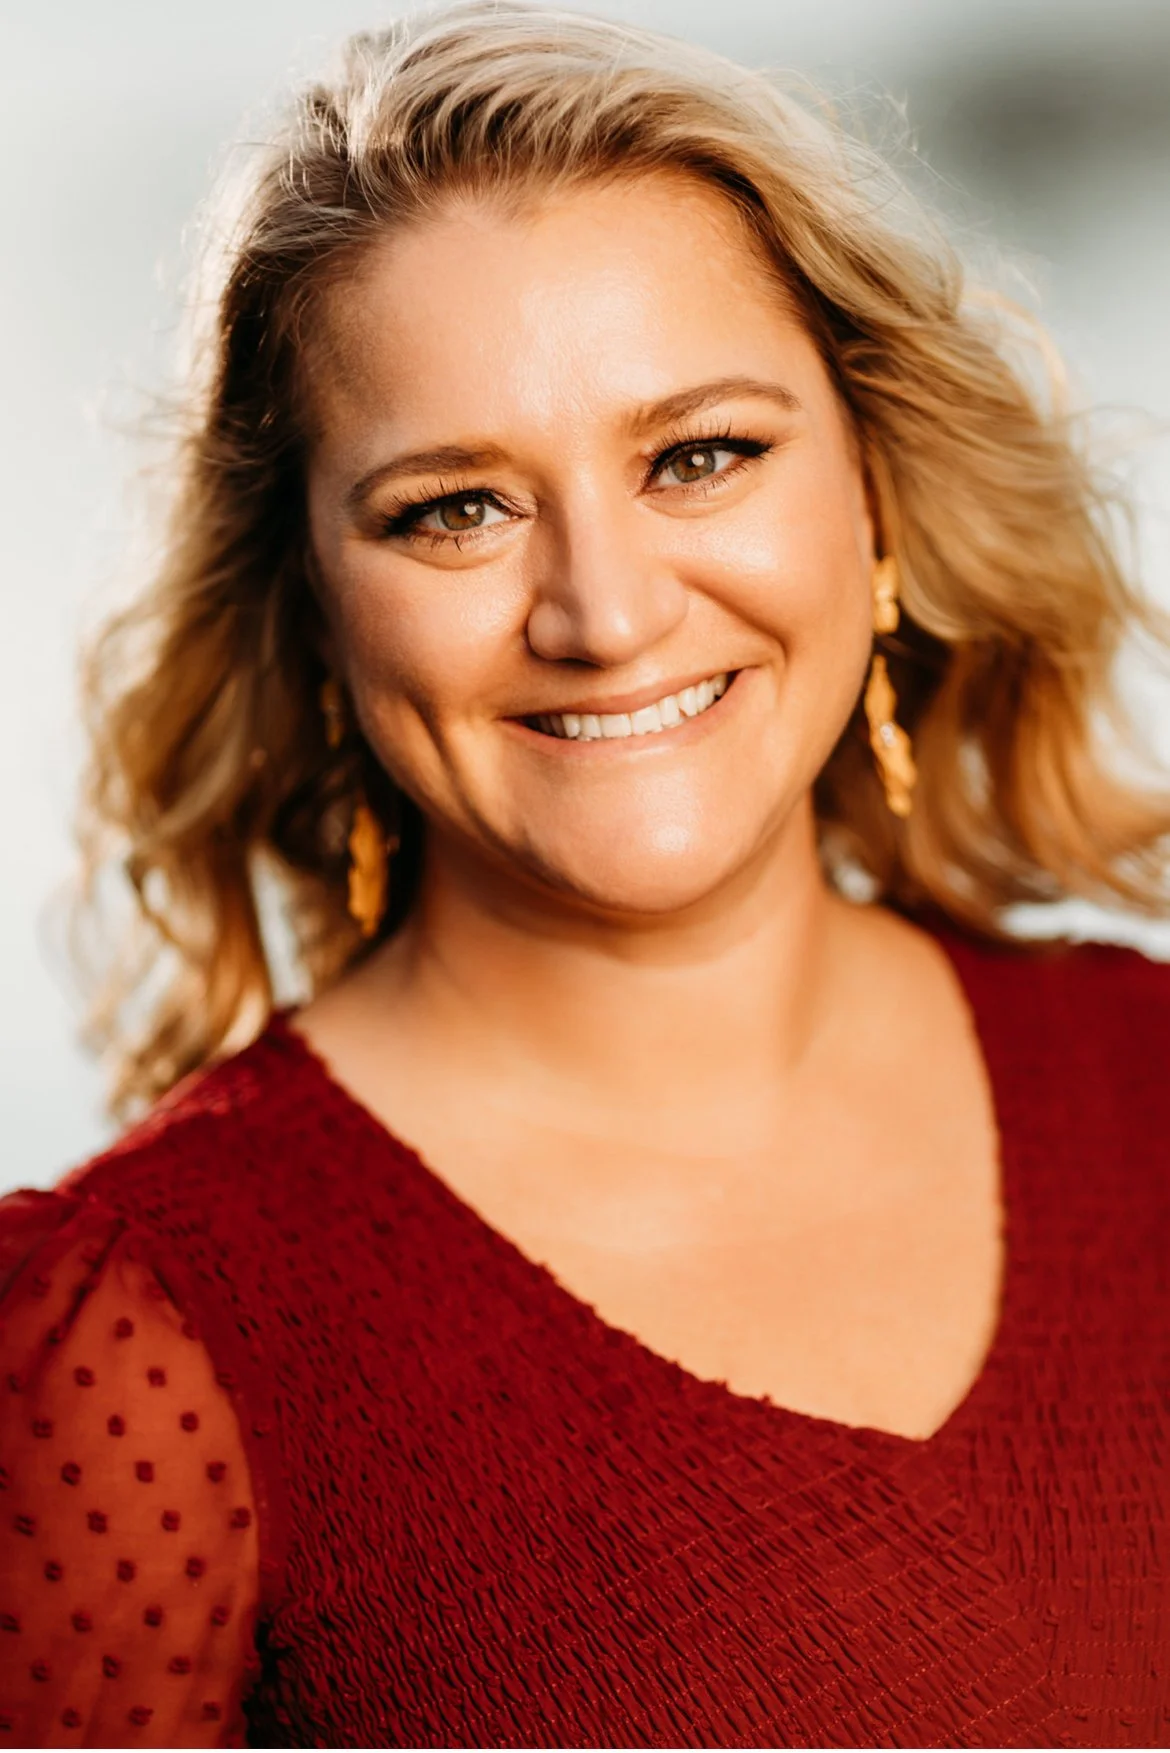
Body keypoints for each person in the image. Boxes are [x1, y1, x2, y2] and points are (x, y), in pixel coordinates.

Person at [3, 2, 1169, 1745]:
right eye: (452, 507)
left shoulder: (1145, 1074)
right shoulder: (130, 1345)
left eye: (698, 455)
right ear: (308, 602)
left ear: (877, 503)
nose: (605, 614)